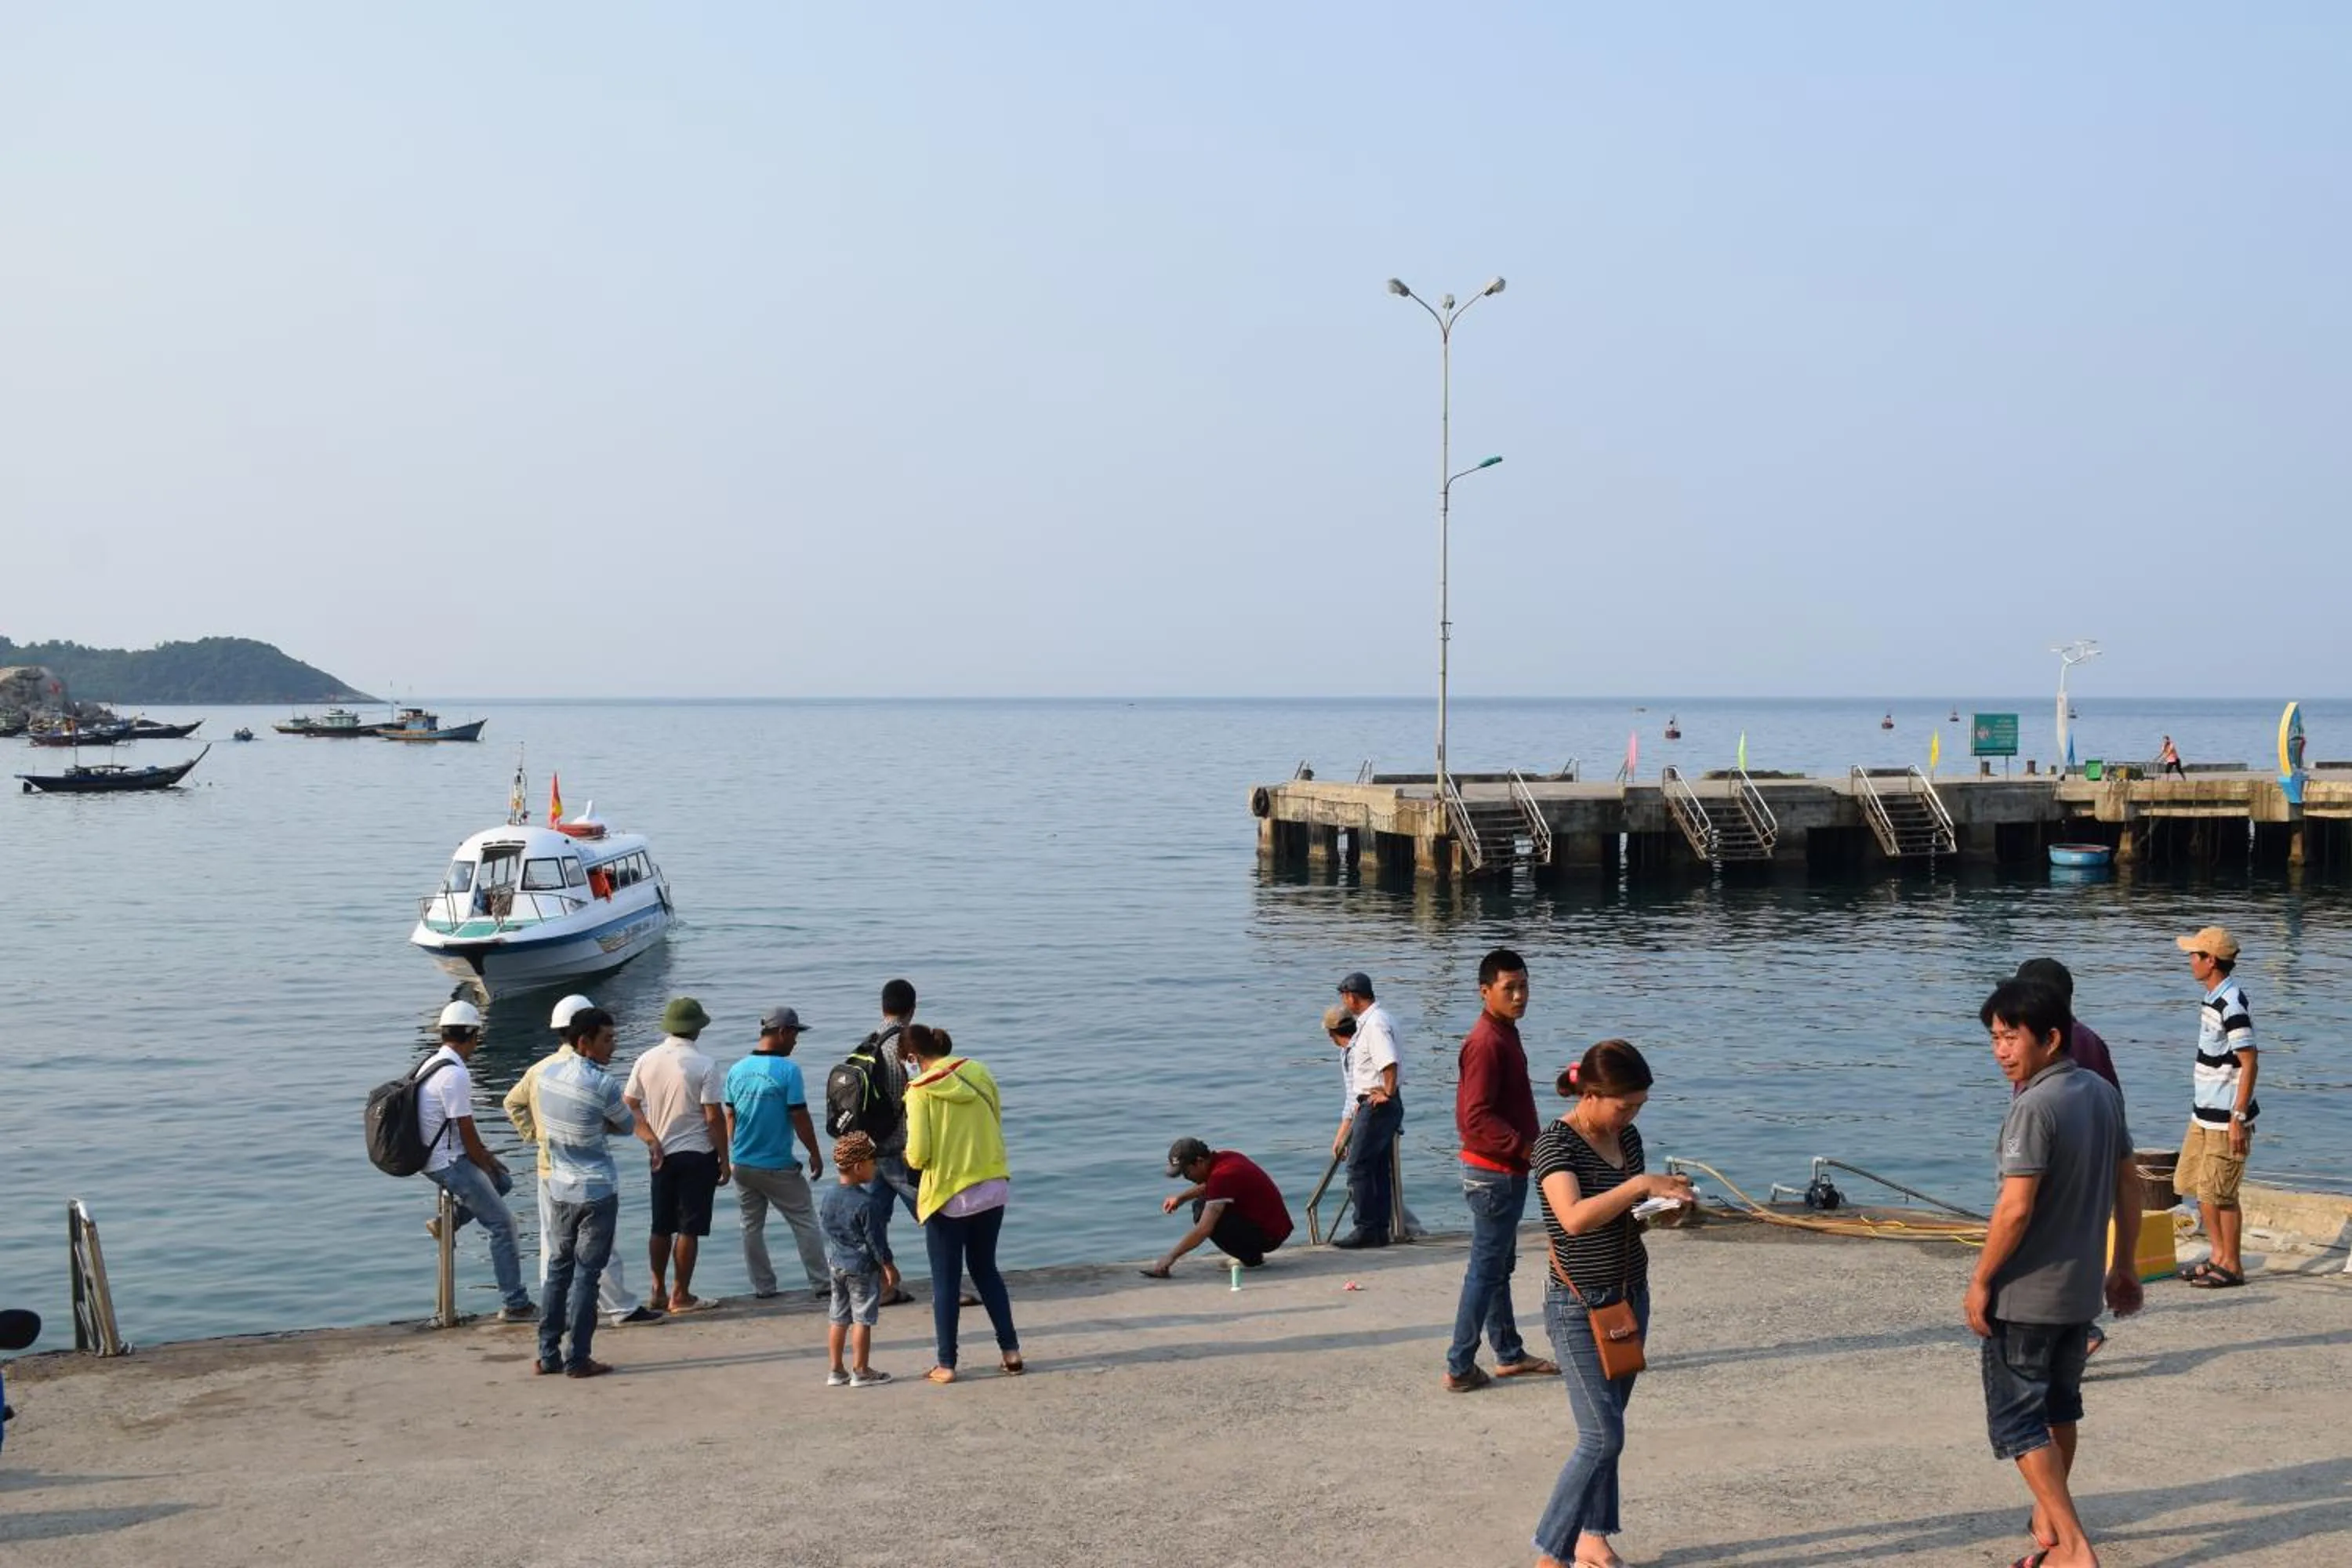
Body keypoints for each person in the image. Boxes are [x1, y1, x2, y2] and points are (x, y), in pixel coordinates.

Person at [1969, 978, 2143, 1568]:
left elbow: (2015, 1208)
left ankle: (2073, 1547)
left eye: (2011, 1038)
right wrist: (2124, 1265)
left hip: (2027, 1295)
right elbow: (2129, 1185)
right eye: (1994, 1038)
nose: (2001, 1051)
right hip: (2079, 1292)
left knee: (2019, 1422)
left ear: (2050, 1039)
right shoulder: (2101, 1092)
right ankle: (2048, 1522)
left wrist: (1981, 1279)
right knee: (2060, 1409)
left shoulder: (2034, 1106)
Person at [1530, 1040, 1693, 1568]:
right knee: (1601, 1436)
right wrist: (1640, 1184)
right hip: (1578, 1304)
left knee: (1611, 1430)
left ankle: (1593, 1538)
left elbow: (1626, 1218)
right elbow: (1574, 1218)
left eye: (1639, 1106)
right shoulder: (1555, 1144)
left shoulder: (1627, 1138)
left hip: (1629, 1296)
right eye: (1624, 1106)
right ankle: (1552, 1552)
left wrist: (1663, 1210)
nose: (1631, 1116)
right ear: (1592, 1094)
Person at [504, 994, 661, 1327]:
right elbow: (624, 1124)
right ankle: (619, 1307)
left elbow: (512, 1103)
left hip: (548, 1167)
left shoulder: (541, 1070)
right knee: (601, 1245)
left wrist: (534, 1134)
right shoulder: (593, 1078)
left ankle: (556, 1312)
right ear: (584, 1034)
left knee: (553, 1246)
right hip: (588, 1175)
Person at [1446, 947, 1555, 1392]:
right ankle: (1459, 1365)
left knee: (1498, 1265)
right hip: (1493, 1174)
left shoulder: (1504, 1032)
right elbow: (1475, 1117)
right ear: (1485, 991)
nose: (1519, 996)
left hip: (1503, 1171)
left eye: (1524, 986)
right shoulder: (1486, 1042)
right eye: (1509, 988)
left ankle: (1508, 1352)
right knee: (1485, 1269)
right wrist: (1526, 1148)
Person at [2012, 958, 2122, 1355]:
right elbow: (2114, 1104)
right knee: (2073, 1248)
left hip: (2054, 1164)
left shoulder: (2048, 1048)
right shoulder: (2091, 1040)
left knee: (2043, 1247)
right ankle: (2075, 1331)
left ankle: (2077, 1332)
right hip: (2088, 1163)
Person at [902, 1025, 1022, 1384]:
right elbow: (995, 1119)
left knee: (946, 1281)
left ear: (913, 1058)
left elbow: (919, 1154)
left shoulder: (919, 1091)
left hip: (949, 1195)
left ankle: (947, 1363)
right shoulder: (979, 1071)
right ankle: (1011, 1353)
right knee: (986, 1270)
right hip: (992, 1184)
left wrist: (907, 1157)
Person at [532, 1006, 637, 1378]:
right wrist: (600, 1124)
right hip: (597, 1190)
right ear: (584, 1042)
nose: (613, 1045)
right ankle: (578, 1358)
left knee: (558, 1270)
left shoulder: (547, 1076)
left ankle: (547, 1354)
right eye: (607, 1039)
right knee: (587, 1276)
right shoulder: (603, 1084)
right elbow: (627, 1125)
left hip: (559, 1186)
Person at [419, 999, 537, 1323]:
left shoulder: (433, 1064)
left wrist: (489, 1162)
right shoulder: (455, 1074)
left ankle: (450, 1221)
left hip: (433, 1156)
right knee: (503, 1225)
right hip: (448, 1163)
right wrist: (483, 1161)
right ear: (472, 1036)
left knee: (503, 1181)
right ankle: (516, 1303)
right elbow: (465, 1128)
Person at [622, 996, 729, 1313]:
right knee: (688, 1228)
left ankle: (657, 1290)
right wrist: (724, 1159)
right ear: (697, 1029)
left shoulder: (646, 1059)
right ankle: (681, 1295)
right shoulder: (705, 1064)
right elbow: (713, 1117)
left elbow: (630, 1104)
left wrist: (649, 1137)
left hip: (661, 1154)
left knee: (660, 1226)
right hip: (697, 1153)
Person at [725, 1006, 829, 1301]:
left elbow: (729, 1115)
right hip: (777, 1165)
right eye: (795, 1034)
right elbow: (799, 1116)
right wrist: (815, 1153)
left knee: (751, 1226)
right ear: (782, 1032)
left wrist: (735, 1149)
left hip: (742, 1163)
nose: (796, 1041)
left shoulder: (736, 1069)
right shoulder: (788, 1070)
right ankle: (822, 1283)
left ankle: (763, 1287)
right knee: (804, 1220)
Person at [2176, 926, 2259, 1290]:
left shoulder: (2231, 1003)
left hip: (2226, 1118)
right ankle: (2218, 1256)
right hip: (2204, 1114)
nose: (2190, 961)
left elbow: (2249, 1061)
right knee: (2197, 1186)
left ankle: (2232, 1265)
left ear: (2210, 961)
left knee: (2221, 1193)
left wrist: (2238, 1116)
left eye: (2194, 955)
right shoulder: (2213, 999)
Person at [1142, 1138, 1294, 1277]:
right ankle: (1249, 1253)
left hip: (1269, 1236)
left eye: (1186, 1172)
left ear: (1199, 1162)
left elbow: (1204, 1229)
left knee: (1202, 1211)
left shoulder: (1222, 1176)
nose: (1186, 1178)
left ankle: (1251, 1259)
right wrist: (1181, 1198)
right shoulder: (1226, 1159)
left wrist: (1170, 1257)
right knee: (1203, 1203)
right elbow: (1211, 1187)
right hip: (1275, 1228)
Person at [1330, 971, 1402, 1249]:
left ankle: (1365, 1227)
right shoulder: (1377, 1020)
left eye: (1344, 996)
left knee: (1358, 1166)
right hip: (1378, 1103)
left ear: (1352, 996)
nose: (1344, 1002)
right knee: (1377, 1167)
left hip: (1375, 1104)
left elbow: (1389, 1061)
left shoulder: (1374, 1024)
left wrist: (1387, 1092)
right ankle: (1378, 1229)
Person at [818, 1132, 893, 1387]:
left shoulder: (829, 1195)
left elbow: (826, 1224)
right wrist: (888, 1266)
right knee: (863, 1319)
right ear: (859, 1166)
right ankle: (861, 1370)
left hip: (836, 1263)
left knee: (838, 1318)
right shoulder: (866, 1203)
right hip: (861, 1268)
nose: (876, 1167)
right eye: (873, 1162)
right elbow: (875, 1241)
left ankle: (836, 1370)